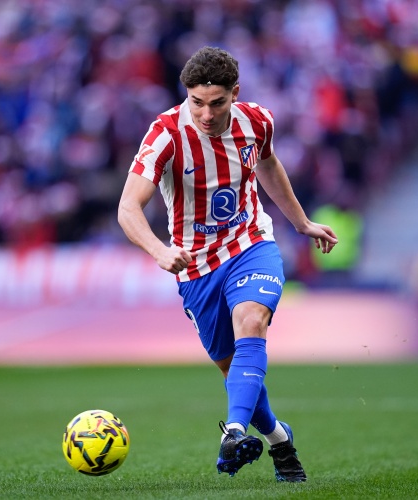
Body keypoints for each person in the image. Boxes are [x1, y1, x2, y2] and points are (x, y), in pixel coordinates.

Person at [117, 46, 338, 482]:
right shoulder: (165, 134)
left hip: (250, 243)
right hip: (195, 267)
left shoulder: (258, 121)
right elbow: (128, 208)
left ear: (235, 93)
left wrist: (301, 222)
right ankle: (280, 440)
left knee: (251, 320)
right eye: (196, 102)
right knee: (232, 368)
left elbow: (268, 164)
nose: (205, 114)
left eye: (217, 102)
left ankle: (233, 433)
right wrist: (160, 251)